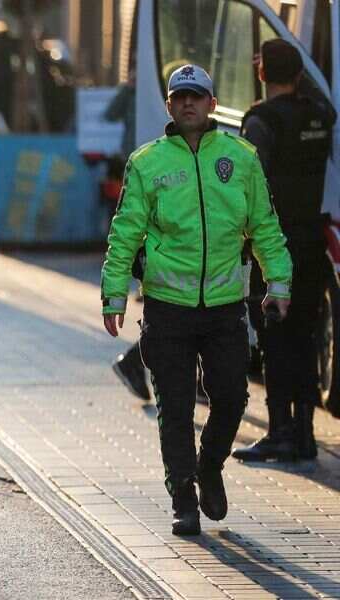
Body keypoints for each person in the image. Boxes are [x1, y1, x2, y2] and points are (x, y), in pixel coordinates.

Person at [101, 64, 292, 536]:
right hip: (167, 309)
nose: (188, 103)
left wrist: (279, 284)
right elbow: (125, 232)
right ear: (168, 106)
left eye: (197, 96)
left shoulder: (240, 158)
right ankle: (183, 494)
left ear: (212, 104)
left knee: (230, 397)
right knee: (175, 408)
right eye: (179, 96)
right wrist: (113, 293)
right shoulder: (147, 163)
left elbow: (264, 227)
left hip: (225, 308)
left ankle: (209, 468)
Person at [232, 40, 337, 462]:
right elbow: (316, 93)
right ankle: (306, 433)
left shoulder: (259, 122)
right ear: (297, 75)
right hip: (313, 239)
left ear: (260, 74)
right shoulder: (321, 115)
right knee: (305, 336)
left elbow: (248, 185)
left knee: (276, 337)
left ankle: (279, 432)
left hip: (274, 243)